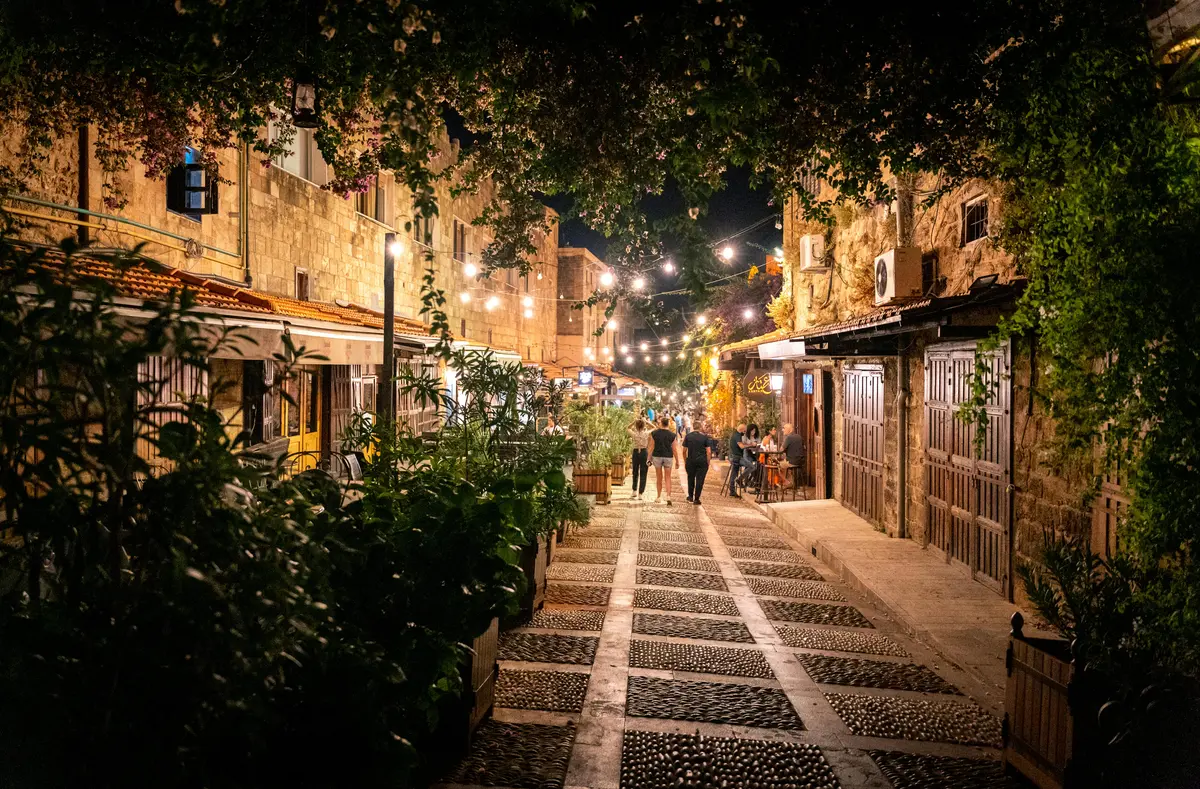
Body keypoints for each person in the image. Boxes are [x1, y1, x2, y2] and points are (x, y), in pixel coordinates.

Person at [650, 415, 679, 505]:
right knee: (668, 477)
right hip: (668, 456)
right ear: (668, 424)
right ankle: (668, 496)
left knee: (659, 477)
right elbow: (674, 449)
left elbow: (651, 447)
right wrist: (677, 461)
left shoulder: (654, 433)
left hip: (657, 456)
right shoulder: (672, 435)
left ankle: (658, 496)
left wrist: (648, 458)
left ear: (661, 423)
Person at [683, 420, 713, 505]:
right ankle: (697, 499)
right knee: (700, 480)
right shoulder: (704, 438)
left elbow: (684, 451)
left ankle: (690, 497)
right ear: (700, 428)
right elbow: (709, 452)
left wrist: (686, 460)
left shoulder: (688, 436)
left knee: (690, 478)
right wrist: (708, 462)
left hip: (691, 460)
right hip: (702, 461)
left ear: (693, 427)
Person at [627, 418, 652, 500]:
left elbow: (627, 428)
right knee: (643, 473)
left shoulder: (634, 434)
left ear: (636, 426)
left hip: (635, 452)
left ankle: (634, 491)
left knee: (635, 472)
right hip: (644, 452)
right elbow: (655, 427)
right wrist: (647, 422)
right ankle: (640, 493)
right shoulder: (646, 433)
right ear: (643, 426)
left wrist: (633, 421)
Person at [781, 422, 805, 488]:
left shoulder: (788, 438)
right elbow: (803, 447)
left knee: (777, 465)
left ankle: (787, 482)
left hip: (792, 462)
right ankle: (793, 483)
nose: (783, 430)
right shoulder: (799, 436)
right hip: (801, 462)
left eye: (784, 428)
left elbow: (781, 450)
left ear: (790, 430)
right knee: (788, 464)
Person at [738, 423, 761, 489]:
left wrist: (757, 444)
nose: (753, 432)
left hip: (756, 453)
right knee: (749, 463)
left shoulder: (757, 437)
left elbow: (759, 443)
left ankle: (754, 480)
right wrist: (751, 444)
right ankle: (746, 480)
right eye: (752, 431)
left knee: (759, 464)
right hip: (747, 453)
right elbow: (742, 445)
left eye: (754, 431)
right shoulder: (745, 436)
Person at [728, 421, 746, 497]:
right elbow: (741, 446)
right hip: (736, 458)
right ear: (742, 430)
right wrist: (751, 445)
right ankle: (739, 480)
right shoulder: (737, 435)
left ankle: (732, 489)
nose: (745, 432)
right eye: (745, 430)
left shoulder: (735, 434)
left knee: (734, 473)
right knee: (752, 466)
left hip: (734, 457)